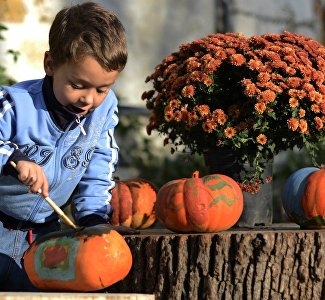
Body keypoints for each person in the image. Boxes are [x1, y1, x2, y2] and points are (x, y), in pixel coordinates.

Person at [0, 1, 137, 291]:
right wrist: (15, 157)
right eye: (78, 85)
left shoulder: (102, 110)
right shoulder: (15, 104)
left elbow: (99, 162)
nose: (89, 99)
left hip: (46, 236)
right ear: (50, 64)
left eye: (102, 89)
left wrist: (93, 218)